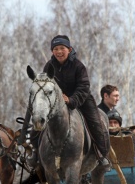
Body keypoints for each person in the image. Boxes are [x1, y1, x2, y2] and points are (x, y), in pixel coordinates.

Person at [42, 35, 110, 169]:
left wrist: (71, 100)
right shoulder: (48, 66)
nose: (59, 52)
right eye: (56, 49)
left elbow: (84, 86)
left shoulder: (78, 66)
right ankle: (35, 155)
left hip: (82, 100)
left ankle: (102, 155)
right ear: (52, 51)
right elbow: (45, 86)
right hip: (56, 103)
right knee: (38, 121)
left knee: (97, 124)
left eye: (62, 48)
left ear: (69, 49)